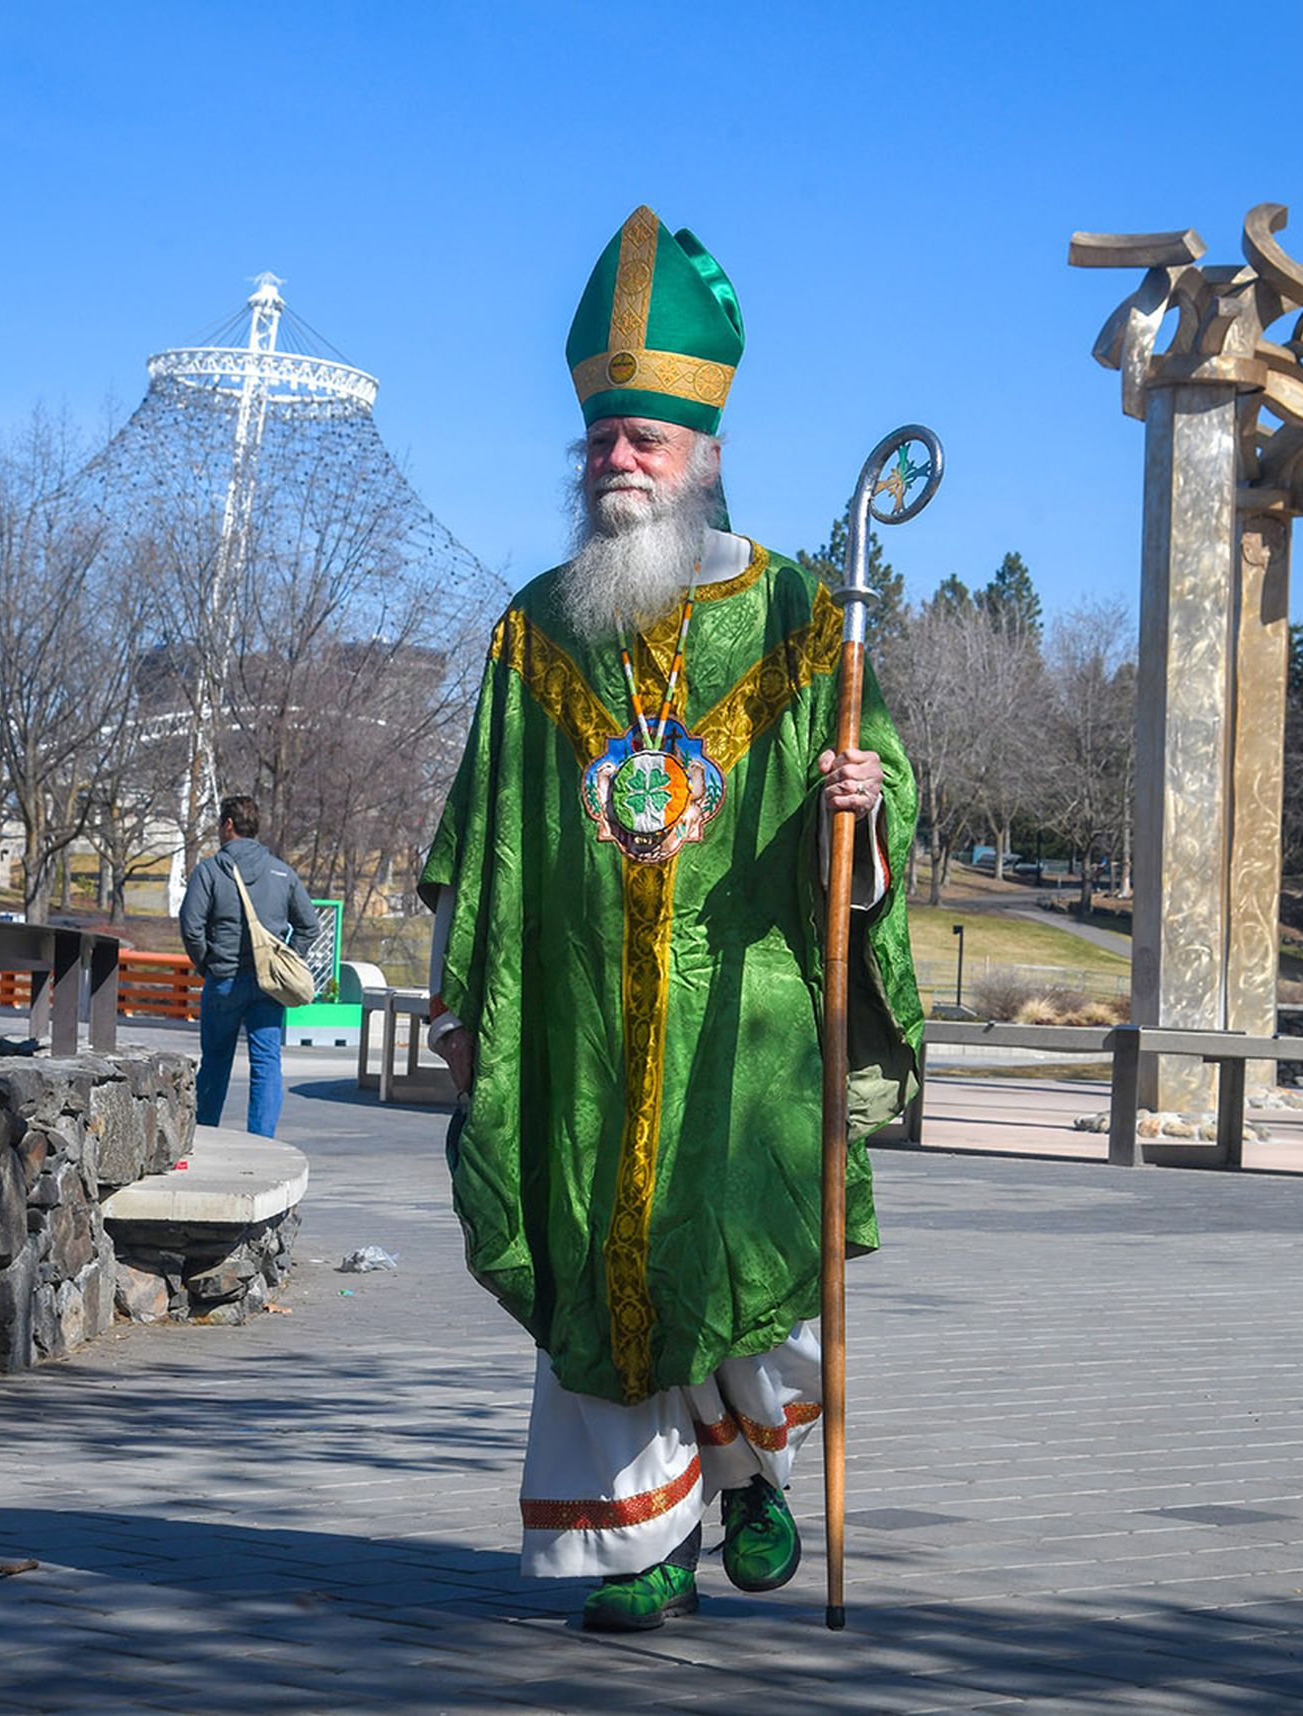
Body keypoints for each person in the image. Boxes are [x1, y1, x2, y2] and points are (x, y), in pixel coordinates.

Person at [419, 206, 923, 1633]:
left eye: (645, 437)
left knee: (748, 1259)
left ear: (703, 454)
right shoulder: (537, 632)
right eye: (601, 438)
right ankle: (641, 1547)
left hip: (744, 1017)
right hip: (579, 1017)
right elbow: (485, 828)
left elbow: (880, 825)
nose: (616, 461)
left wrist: (862, 804)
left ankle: (753, 1476)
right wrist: (467, 997)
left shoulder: (806, 624)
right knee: (597, 1265)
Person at [178, 796, 321, 1138]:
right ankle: (262, 1139)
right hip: (268, 985)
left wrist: (206, 961)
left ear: (229, 825)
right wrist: (283, 958)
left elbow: (190, 924)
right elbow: (310, 926)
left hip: (224, 979)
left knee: (215, 1060)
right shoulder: (281, 872)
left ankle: (205, 1134)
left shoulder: (211, 871)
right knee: (267, 1062)